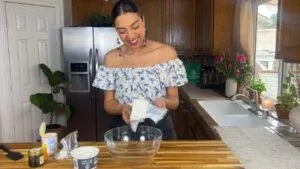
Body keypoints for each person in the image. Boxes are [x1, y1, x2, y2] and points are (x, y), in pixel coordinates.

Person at [92, 0, 187, 140]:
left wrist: (164, 101)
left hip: (160, 130)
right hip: (122, 130)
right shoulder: (111, 59)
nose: (130, 36)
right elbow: (108, 103)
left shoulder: (166, 54)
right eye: (122, 31)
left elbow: (174, 101)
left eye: (135, 26)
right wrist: (121, 108)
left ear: (143, 21)